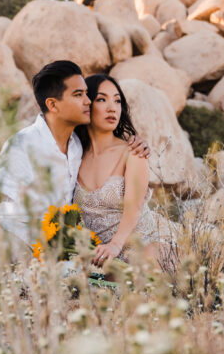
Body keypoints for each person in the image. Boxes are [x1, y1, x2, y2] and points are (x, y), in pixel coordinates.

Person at [0, 60, 148, 261]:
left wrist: (137, 142)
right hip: (11, 243)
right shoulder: (25, 144)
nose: (87, 101)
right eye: (78, 95)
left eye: (87, 95)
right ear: (52, 104)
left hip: (52, 250)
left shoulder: (76, 146)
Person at [74, 73, 175, 267]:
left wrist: (114, 246)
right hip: (99, 257)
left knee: (147, 260)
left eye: (117, 101)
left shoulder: (133, 152)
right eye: (102, 99)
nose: (112, 107)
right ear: (87, 105)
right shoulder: (74, 155)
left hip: (139, 248)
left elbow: (134, 207)